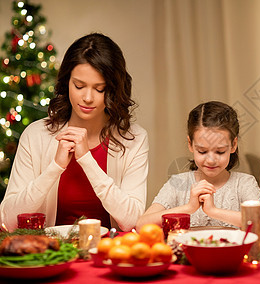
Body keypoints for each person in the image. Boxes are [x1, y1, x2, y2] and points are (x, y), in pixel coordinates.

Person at [0, 33, 149, 231]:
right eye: (79, 86)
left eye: (99, 89)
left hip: (108, 253)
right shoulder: (36, 135)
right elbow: (8, 222)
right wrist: (55, 167)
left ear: (113, 89)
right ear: (66, 82)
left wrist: (87, 160)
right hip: (50, 255)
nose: (87, 97)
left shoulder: (134, 139)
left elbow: (132, 221)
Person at [136, 101, 260, 231]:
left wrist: (213, 211)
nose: (211, 160)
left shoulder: (244, 183)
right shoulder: (179, 183)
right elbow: (141, 225)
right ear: (190, 144)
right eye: (202, 151)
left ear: (234, 145)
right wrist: (189, 207)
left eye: (220, 151)